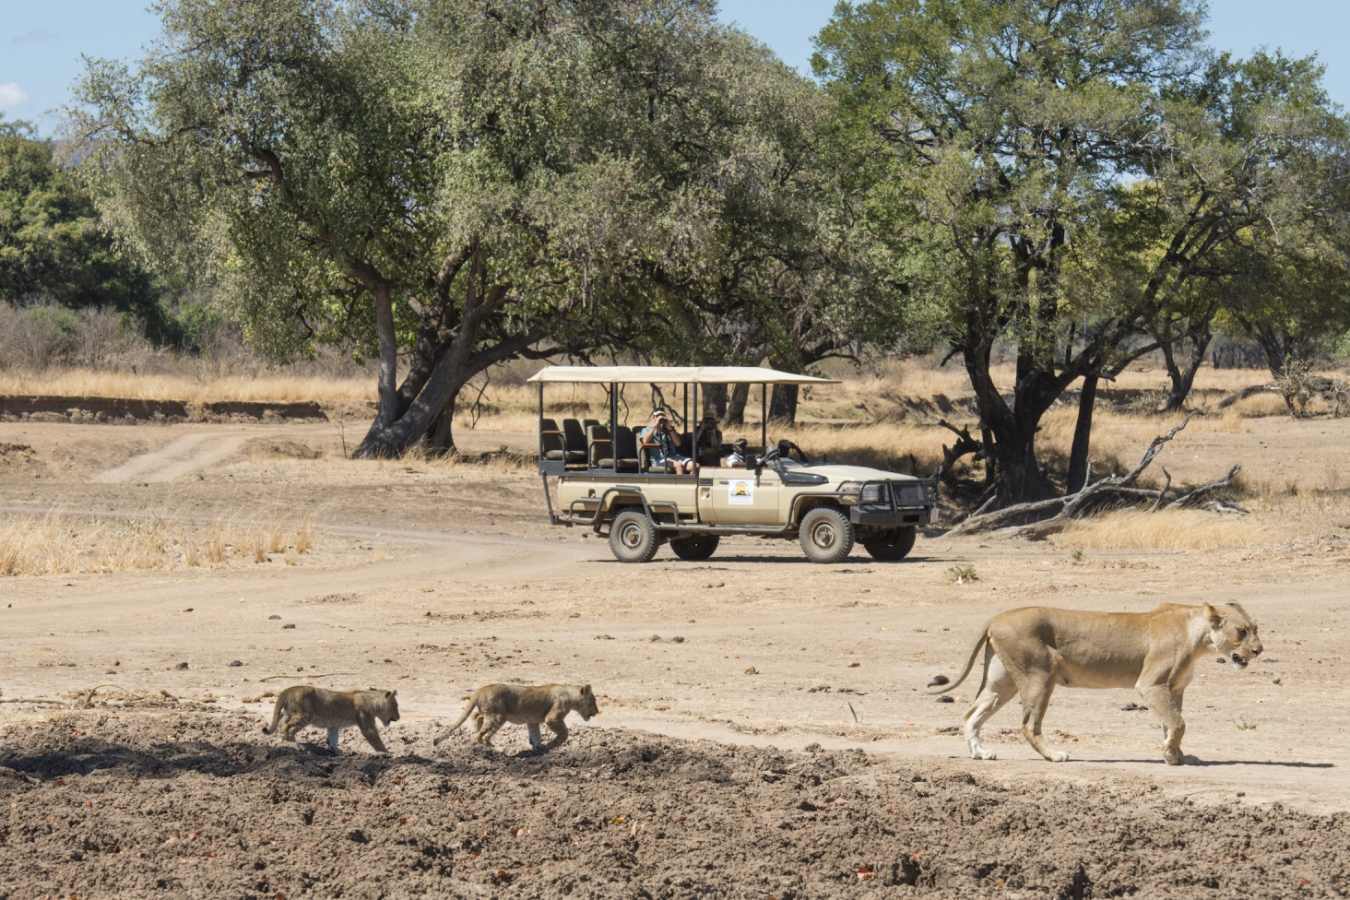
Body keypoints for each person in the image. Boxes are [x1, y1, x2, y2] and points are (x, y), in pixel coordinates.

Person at [640, 408, 694, 474]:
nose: (660, 419)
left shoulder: (668, 430)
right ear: (653, 418)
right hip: (659, 460)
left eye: (662, 417)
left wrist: (670, 428)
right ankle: (679, 484)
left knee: (695, 466)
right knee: (678, 466)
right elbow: (644, 442)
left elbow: (678, 443)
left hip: (674, 457)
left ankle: (690, 483)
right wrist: (655, 426)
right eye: (657, 416)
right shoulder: (646, 430)